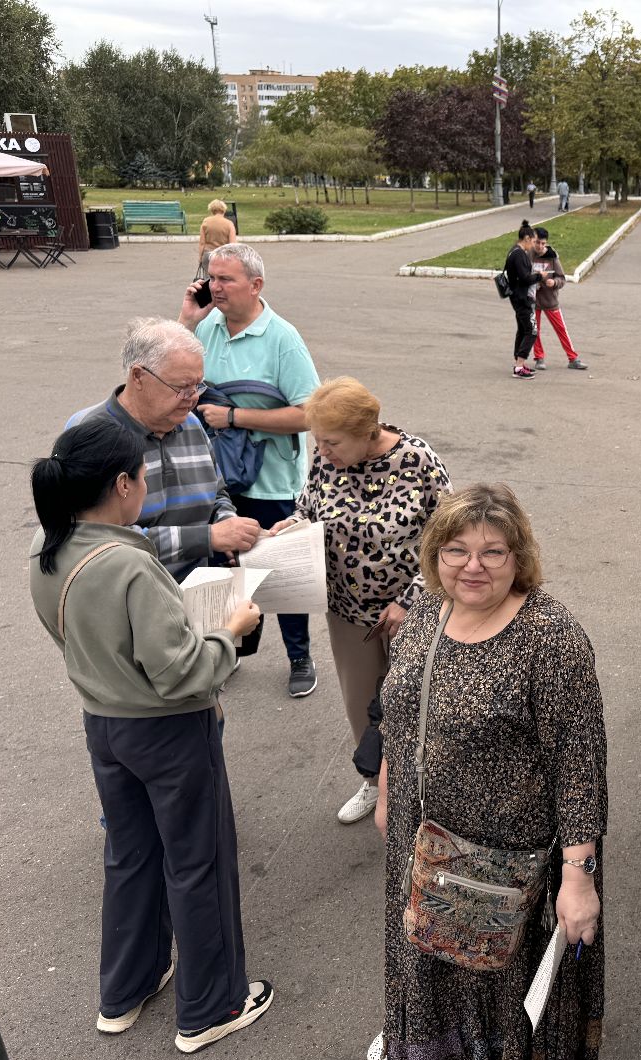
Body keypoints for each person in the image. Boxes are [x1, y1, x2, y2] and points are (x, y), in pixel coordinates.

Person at [28, 417, 273, 1054]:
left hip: (104, 724)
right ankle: (212, 1004)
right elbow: (184, 671)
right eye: (141, 475)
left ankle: (126, 988)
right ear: (122, 484)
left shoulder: (48, 547)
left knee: (130, 856)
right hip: (168, 731)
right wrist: (230, 628)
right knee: (199, 861)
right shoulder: (131, 566)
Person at [374, 482, 607, 1060]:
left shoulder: (550, 639)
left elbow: (579, 765)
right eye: (456, 550)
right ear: (435, 555)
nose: (472, 566)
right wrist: (385, 785)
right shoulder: (428, 610)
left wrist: (578, 881)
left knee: (505, 981)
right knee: (429, 955)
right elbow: (398, 708)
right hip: (421, 839)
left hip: (506, 860)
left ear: (518, 557)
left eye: (492, 552)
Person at [268, 377, 452, 825]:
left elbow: (447, 540)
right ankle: (375, 781)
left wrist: (409, 599)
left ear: (367, 432)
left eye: (332, 442)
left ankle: (433, 795)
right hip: (347, 609)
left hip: (415, 611)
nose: (323, 451)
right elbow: (309, 508)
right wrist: (289, 527)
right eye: (319, 443)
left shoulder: (418, 461)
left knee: (421, 702)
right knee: (360, 700)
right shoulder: (326, 459)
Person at [179, 242, 322, 697]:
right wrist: (187, 319)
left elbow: (309, 414)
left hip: (270, 479)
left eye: (225, 279)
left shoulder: (282, 338)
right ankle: (230, 648)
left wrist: (235, 417)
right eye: (210, 277)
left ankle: (299, 655)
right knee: (223, 566)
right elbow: (168, 370)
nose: (214, 287)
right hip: (214, 475)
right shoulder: (207, 327)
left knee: (280, 569)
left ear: (256, 285)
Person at [66, 317, 261, 582]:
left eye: (198, 385)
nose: (193, 397)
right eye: (181, 387)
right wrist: (209, 538)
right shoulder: (90, 433)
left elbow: (216, 493)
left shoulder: (190, 424)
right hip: (126, 596)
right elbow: (98, 538)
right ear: (138, 376)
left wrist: (228, 525)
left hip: (195, 592)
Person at [504, 222, 558, 380]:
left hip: (518, 297)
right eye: (533, 241)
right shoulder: (519, 254)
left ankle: (518, 364)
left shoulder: (514, 251)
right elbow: (525, 278)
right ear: (526, 238)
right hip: (522, 298)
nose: (534, 245)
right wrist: (539, 276)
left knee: (522, 329)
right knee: (532, 331)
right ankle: (519, 366)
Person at [530, 226, 587, 371]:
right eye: (537, 242)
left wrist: (554, 282)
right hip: (533, 299)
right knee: (534, 330)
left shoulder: (552, 256)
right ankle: (539, 358)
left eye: (543, 243)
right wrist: (532, 281)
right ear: (532, 240)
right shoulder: (527, 254)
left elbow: (561, 278)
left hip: (550, 300)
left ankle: (573, 358)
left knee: (561, 329)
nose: (540, 246)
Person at [197, 199, 236, 278]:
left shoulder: (205, 222)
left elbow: (202, 243)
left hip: (208, 255)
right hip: (223, 256)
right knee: (223, 279)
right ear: (223, 210)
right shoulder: (229, 224)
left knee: (208, 280)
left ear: (212, 210)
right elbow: (233, 244)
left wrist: (200, 257)